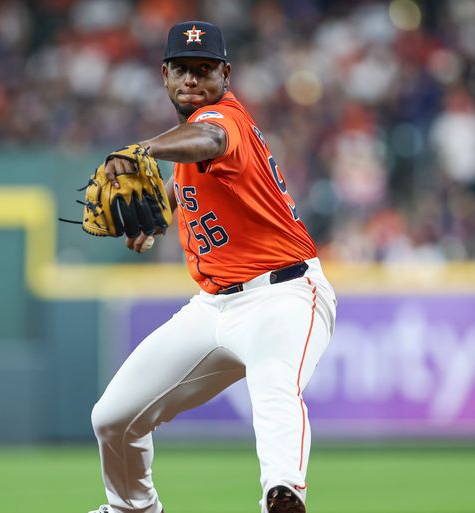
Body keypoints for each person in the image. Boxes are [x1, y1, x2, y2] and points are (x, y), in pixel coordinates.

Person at [88, 20, 337, 513]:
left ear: (226, 74)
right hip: (212, 307)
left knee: (272, 381)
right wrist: (163, 209)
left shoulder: (226, 120)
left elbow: (210, 141)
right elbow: (194, 185)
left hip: (283, 295)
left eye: (205, 70)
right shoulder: (190, 145)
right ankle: (132, 508)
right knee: (113, 417)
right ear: (164, 74)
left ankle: (282, 496)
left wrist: (143, 149)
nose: (192, 81)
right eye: (182, 69)